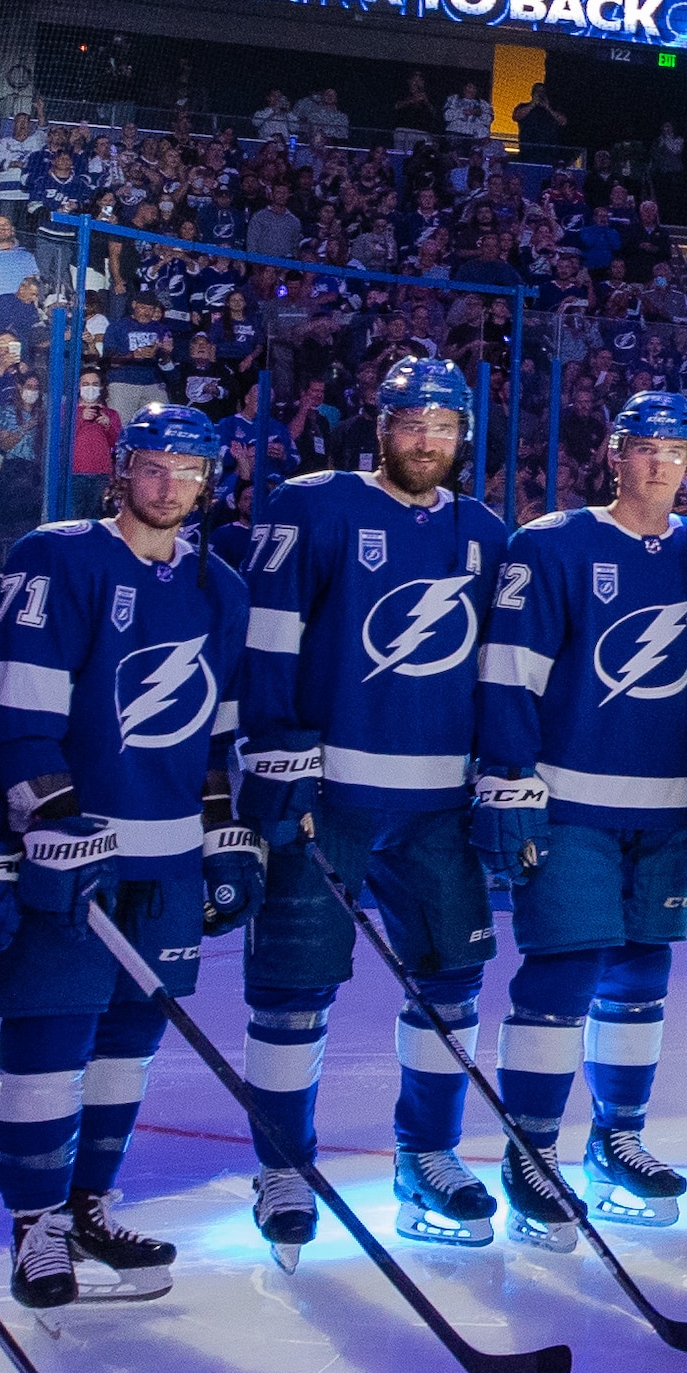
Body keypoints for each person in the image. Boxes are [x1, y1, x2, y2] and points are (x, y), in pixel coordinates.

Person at [0, 405, 248, 1311]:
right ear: (120, 471)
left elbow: (213, 727)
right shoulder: (61, 557)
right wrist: (44, 814)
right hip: (72, 850)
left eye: (189, 472)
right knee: (50, 1038)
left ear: (211, 484)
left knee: (129, 1039)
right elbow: (17, 706)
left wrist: (225, 837)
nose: (171, 488)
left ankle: (89, 1205)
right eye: (155, 468)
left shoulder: (221, 587)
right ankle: (35, 1225)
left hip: (167, 861)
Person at [235, 353, 514, 1256]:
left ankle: (426, 1155)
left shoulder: (484, 530)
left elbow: (494, 668)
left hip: (439, 802)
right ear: (380, 423)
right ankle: (284, 1165)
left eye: (444, 426)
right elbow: (269, 638)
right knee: (292, 990)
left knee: (452, 983)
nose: (427, 441)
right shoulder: (315, 504)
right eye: (411, 423)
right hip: (332, 795)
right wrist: (274, 751)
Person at [474, 388, 687, 1241]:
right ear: (614, 455)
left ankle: (617, 1140)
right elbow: (511, 666)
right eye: (643, 447)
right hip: (569, 802)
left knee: (640, 980)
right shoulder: (552, 545)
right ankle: (532, 1150)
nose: (659, 464)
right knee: (562, 971)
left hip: (666, 809)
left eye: (675, 449)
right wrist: (509, 777)